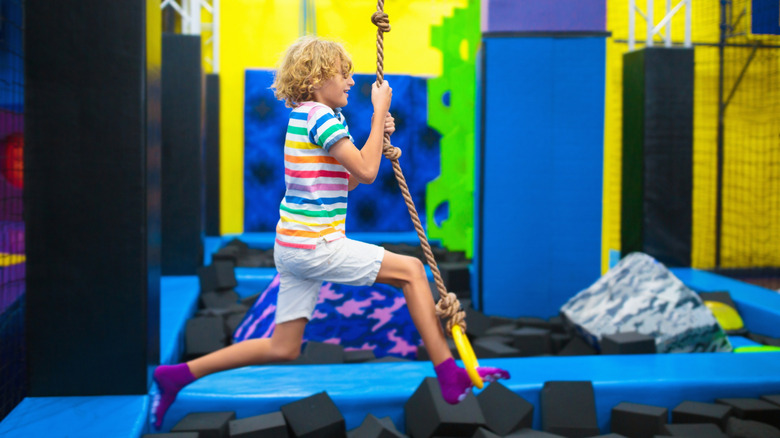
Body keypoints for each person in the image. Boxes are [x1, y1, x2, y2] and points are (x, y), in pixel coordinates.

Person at [151, 35, 509, 429]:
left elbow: (350, 182)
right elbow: (368, 172)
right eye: (344, 73)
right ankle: (448, 372)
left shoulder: (313, 118)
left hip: (292, 246)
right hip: (314, 243)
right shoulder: (319, 117)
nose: (351, 82)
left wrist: (378, 133)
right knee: (410, 271)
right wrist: (377, 116)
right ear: (317, 77)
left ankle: (179, 375)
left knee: (283, 347)